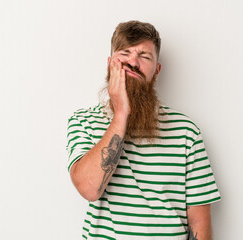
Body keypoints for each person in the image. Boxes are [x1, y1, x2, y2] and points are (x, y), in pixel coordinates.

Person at [66, 20, 221, 240]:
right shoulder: (84, 121)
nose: (133, 62)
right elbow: (89, 189)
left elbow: (199, 222)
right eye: (125, 53)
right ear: (110, 64)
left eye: (144, 56)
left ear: (157, 71)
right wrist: (121, 114)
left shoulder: (186, 132)